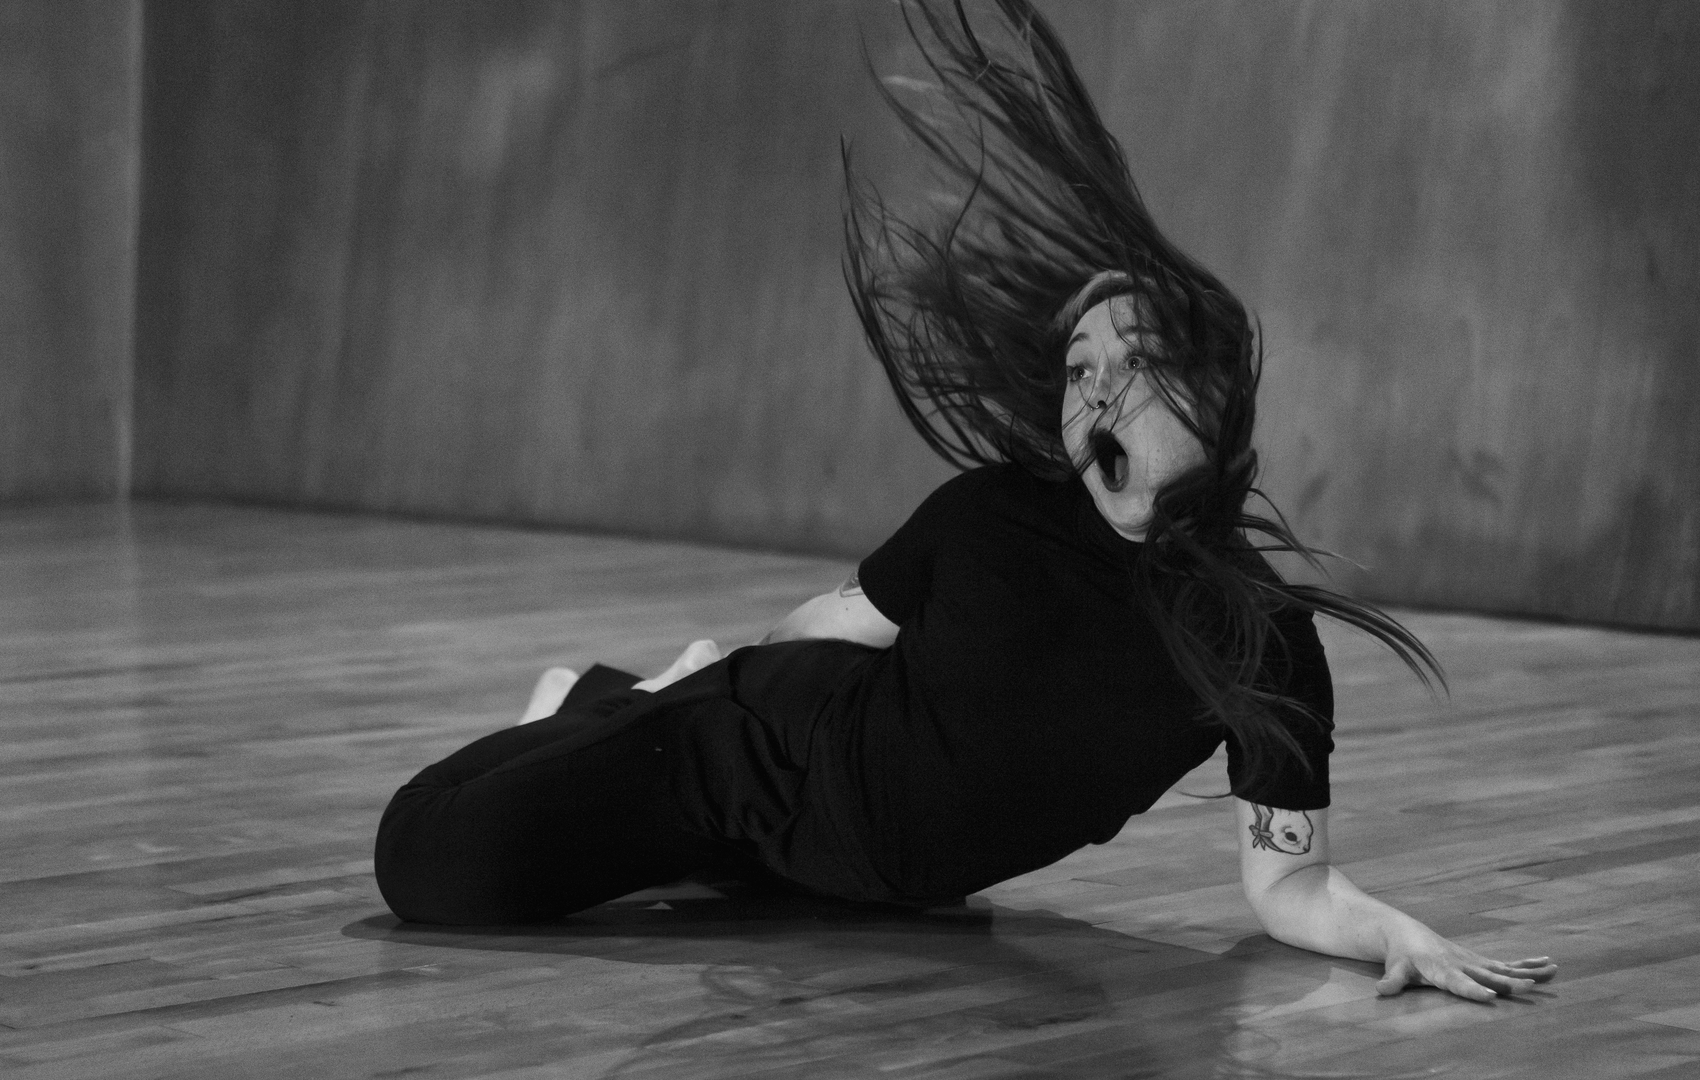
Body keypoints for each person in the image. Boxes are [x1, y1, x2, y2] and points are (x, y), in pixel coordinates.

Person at [374, 0, 1555, 1003]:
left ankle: (609, 703)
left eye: (1129, 363)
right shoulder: (993, 513)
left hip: (860, 875)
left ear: (1213, 393)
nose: (1094, 389)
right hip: (747, 759)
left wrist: (1386, 931)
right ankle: (613, 705)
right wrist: (707, 682)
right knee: (430, 863)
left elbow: (1286, 884)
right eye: (1077, 370)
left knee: (711, 872)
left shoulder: (1264, 646)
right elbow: (831, 628)